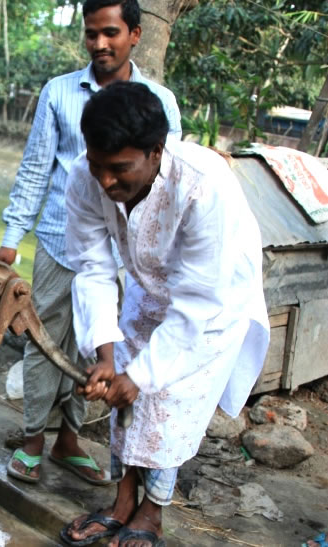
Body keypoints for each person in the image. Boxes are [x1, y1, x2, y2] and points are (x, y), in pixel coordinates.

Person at [59, 82, 270, 546]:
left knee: (169, 403)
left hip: (215, 302)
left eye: (120, 169)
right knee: (124, 388)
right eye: (97, 165)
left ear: (156, 151)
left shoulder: (203, 184)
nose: (106, 182)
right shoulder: (84, 177)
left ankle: (151, 513)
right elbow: (92, 268)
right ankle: (122, 503)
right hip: (150, 285)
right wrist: (105, 356)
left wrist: (142, 377)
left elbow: (197, 301)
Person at [0, 0, 181, 485]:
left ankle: (69, 440)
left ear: (135, 34)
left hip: (127, 254)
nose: (100, 44)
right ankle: (32, 438)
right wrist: (12, 237)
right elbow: (36, 168)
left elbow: (170, 180)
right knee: (43, 338)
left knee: (101, 347)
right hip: (60, 239)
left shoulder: (159, 101)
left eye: (111, 33)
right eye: (91, 34)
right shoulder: (59, 92)